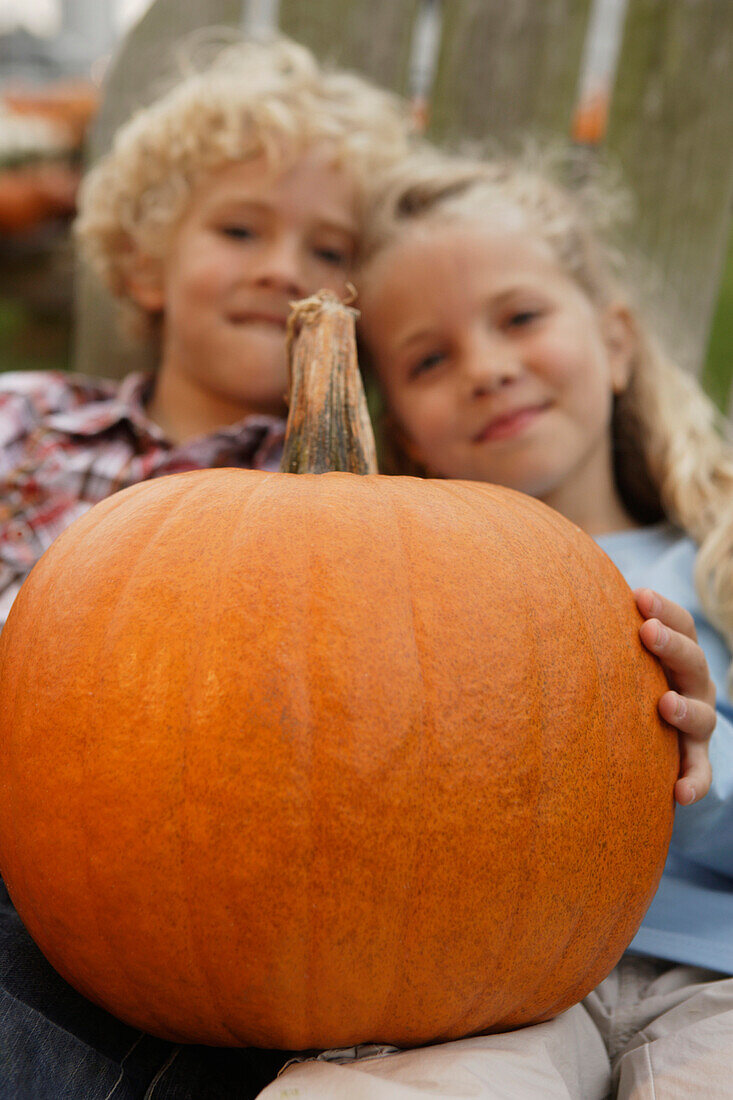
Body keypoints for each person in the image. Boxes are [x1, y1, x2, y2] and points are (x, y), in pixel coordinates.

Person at [257, 153, 733, 1097]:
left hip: (709, 977)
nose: (486, 368)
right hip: (474, 985)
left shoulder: (714, 559)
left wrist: (703, 757)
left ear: (617, 341)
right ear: (408, 435)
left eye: (519, 318)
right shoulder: (389, 603)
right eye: (430, 360)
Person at [0, 35, 415, 1100]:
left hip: (185, 906)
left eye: (330, 252)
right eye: (240, 228)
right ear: (144, 262)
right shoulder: (24, 417)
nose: (287, 269)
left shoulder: (373, 515)